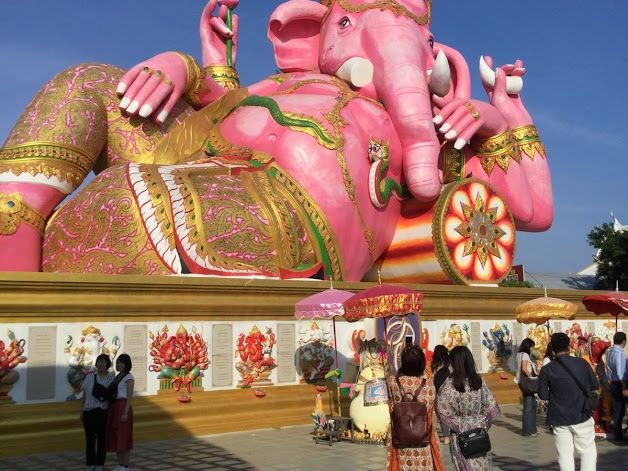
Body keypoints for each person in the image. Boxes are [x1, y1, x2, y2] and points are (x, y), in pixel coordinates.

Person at [538, 333, 599, 471]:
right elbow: (595, 385)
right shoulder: (582, 363)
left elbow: (543, 394)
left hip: (559, 417)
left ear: (553, 350)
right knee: (587, 451)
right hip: (582, 413)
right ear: (568, 346)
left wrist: (557, 395)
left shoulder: (547, 369)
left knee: (564, 455)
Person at [437, 346, 500, 471]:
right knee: (483, 465)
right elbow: (492, 408)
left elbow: (442, 412)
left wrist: (460, 425)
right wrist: (482, 424)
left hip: (461, 437)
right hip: (480, 433)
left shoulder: (448, 385)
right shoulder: (479, 381)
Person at [386, 345, 444, 471]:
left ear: (404, 362)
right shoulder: (429, 384)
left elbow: (391, 407)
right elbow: (429, 410)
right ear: (422, 363)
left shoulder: (393, 382)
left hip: (401, 438)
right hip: (422, 438)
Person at [80, 354, 114, 471]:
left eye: (103, 361)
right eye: (99, 361)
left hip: (102, 412)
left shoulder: (111, 378)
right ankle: (90, 464)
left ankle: (99, 464)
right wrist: (82, 411)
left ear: (107, 364)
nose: (101, 364)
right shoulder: (89, 377)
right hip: (89, 412)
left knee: (102, 439)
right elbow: (85, 395)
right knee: (89, 440)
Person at [107, 353, 135, 471]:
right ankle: (120, 464)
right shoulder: (117, 377)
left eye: (121, 363)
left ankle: (125, 465)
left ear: (126, 364)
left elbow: (129, 397)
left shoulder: (128, 377)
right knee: (116, 435)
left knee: (124, 435)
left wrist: (125, 412)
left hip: (123, 406)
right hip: (115, 407)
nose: (118, 364)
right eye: (118, 362)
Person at [606, 331, 626, 441]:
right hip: (620, 383)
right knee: (620, 410)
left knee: (618, 409)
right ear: (624, 341)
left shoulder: (609, 352)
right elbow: (620, 372)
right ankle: (618, 434)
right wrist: (624, 386)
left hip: (612, 383)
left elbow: (608, 368)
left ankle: (617, 432)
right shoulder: (620, 353)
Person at [515, 338, 538, 436]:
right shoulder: (525, 355)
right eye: (532, 347)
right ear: (528, 346)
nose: (532, 349)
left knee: (532, 405)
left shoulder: (518, 354)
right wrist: (532, 377)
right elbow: (524, 369)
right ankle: (528, 431)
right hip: (528, 382)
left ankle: (532, 429)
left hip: (522, 382)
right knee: (529, 408)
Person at [431, 345, 451, 445]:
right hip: (450, 392)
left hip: (439, 393)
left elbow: (433, 379)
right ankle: (452, 433)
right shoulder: (449, 364)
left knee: (442, 415)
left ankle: (446, 437)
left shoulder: (435, 365)